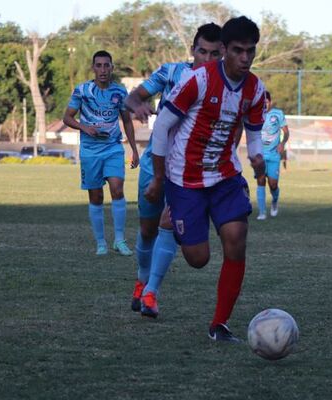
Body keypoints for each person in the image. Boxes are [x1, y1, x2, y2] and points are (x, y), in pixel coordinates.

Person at [146, 16, 266, 343]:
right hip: (184, 178)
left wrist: (256, 156)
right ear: (224, 50)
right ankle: (185, 226)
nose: (245, 58)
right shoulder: (198, 80)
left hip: (226, 175)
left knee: (237, 239)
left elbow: (254, 134)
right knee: (198, 259)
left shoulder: (255, 89)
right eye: (238, 50)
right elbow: (161, 127)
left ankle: (220, 324)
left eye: (250, 51)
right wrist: (158, 178)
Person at [124, 23, 223, 318]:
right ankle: (142, 281)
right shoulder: (170, 72)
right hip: (156, 158)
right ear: (193, 49)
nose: (206, 58)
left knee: (169, 223)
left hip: (188, 167)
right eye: (201, 51)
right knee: (147, 229)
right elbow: (132, 97)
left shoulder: (223, 85)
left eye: (213, 54)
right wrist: (137, 106)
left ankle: (152, 293)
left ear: (222, 55)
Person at [63, 50, 139, 256]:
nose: (103, 70)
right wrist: (85, 128)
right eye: (99, 65)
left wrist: (134, 148)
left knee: (117, 188)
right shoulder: (82, 90)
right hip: (89, 151)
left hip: (113, 148)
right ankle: (101, 243)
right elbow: (67, 118)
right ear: (93, 68)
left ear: (112, 68)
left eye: (107, 65)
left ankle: (120, 240)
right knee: (96, 196)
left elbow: (127, 121)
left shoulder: (120, 92)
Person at [256, 91, 289, 220]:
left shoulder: (278, 114)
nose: (265, 105)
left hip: (274, 154)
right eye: (262, 102)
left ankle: (274, 201)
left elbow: (286, 132)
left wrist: (282, 142)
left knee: (273, 184)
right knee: (260, 180)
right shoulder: (255, 113)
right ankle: (262, 212)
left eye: (267, 102)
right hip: (259, 154)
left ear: (270, 101)